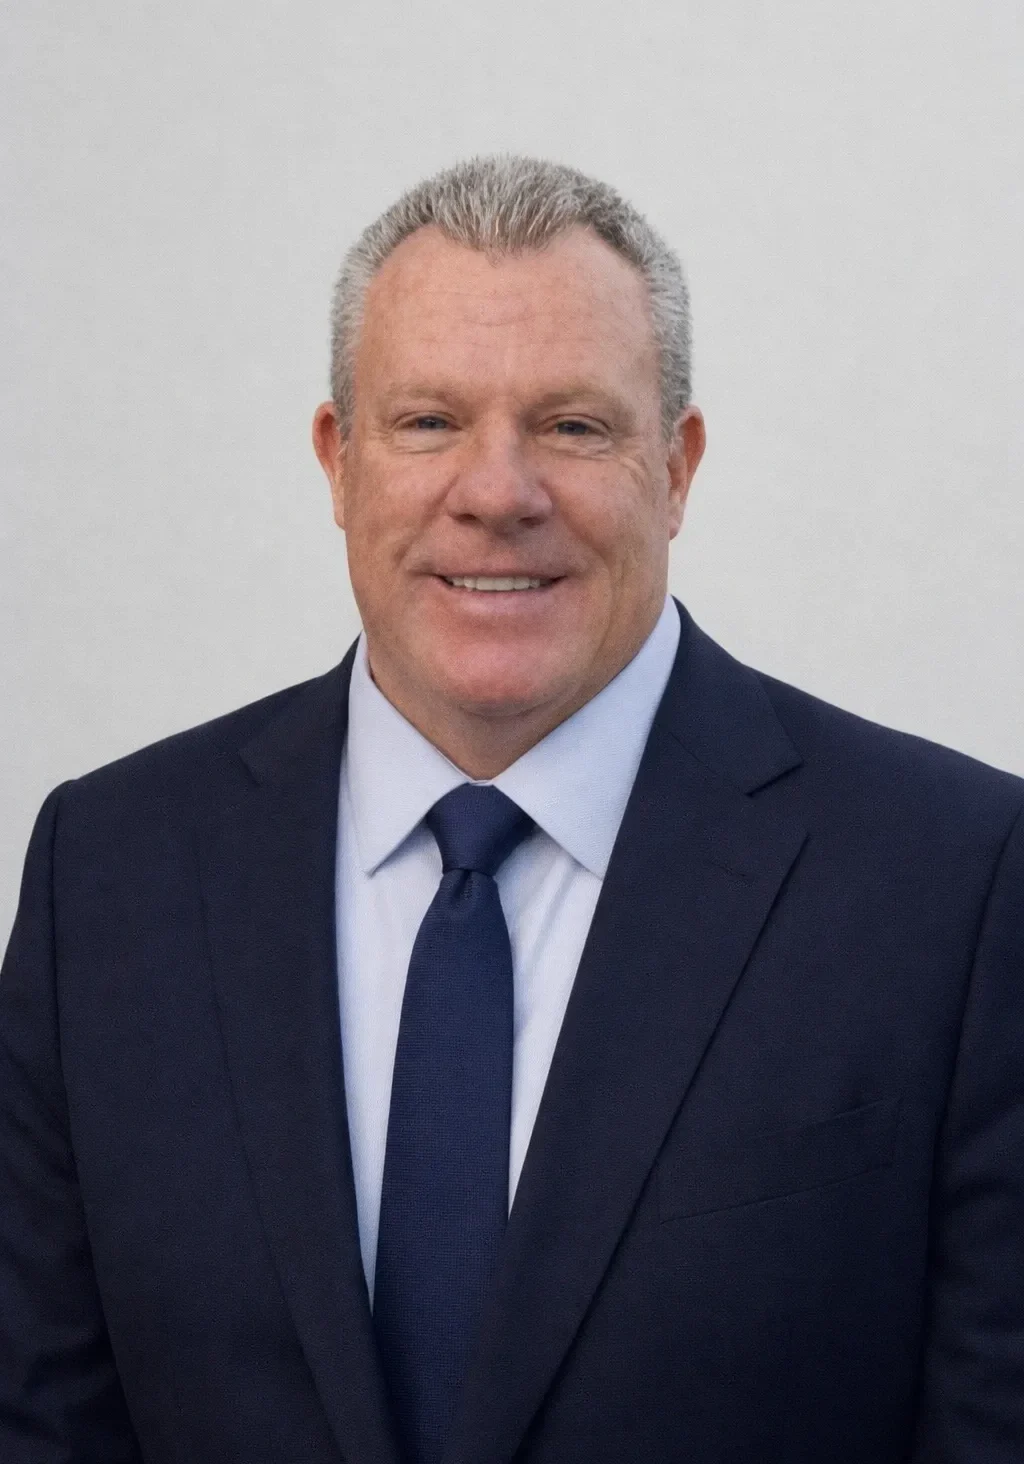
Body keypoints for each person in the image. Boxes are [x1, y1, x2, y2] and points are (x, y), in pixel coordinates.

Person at [1, 155, 1022, 1464]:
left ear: (678, 466)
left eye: (573, 426)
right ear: (338, 458)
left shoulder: (958, 882)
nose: (498, 491)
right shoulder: (112, 873)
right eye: (428, 421)